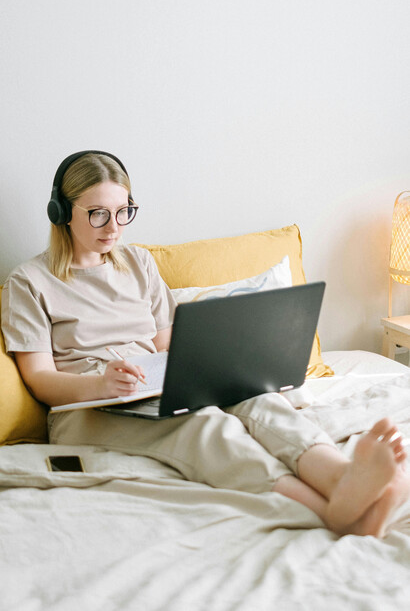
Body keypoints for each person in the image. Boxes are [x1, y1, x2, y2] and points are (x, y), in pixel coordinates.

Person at [2, 151, 409, 538]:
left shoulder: (139, 264)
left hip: (150, 382)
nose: (114, 227)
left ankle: (341, 478)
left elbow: (167, 344)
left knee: (257, 401)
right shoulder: (30, 281)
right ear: (62, 213)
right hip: (84, 406)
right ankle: (329, 513)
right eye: (98, 214)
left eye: (124, 211)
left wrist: (220, 367)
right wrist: (101, 386)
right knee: (207, 426)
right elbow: (39, 378)